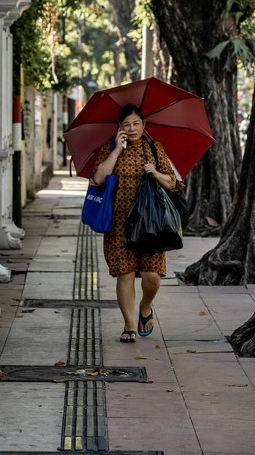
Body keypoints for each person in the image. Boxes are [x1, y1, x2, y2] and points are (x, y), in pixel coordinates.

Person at [91, 103, 182, 343]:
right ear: (119, 128)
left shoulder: (154, 149)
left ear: (144, 126)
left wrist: (154, 172)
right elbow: (98, 178)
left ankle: (145, 307)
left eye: (136, 124)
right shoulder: (110, 149)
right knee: (126, 274)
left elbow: (173, 183)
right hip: (120, 222)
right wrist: (116, 151)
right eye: (126, 125)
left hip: (152, 224)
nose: (132, 129)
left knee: (152, 276)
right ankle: (129, 325)